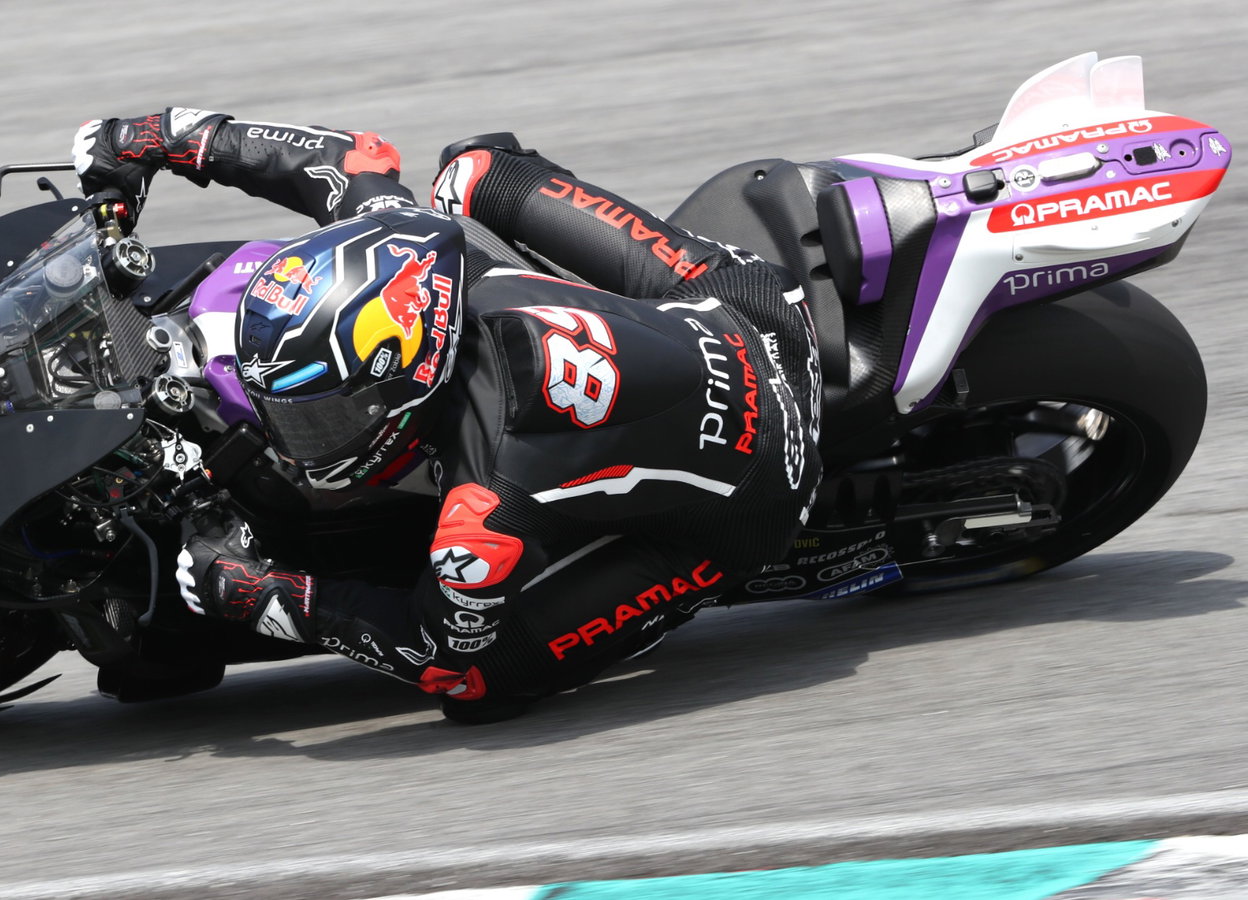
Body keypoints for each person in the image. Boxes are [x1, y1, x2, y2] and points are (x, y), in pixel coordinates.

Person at [72, 109, 822, 722]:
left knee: (482, 688)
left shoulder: (483, 509)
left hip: (761, 490)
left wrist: (275, 597)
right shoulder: (405, 250)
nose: (301, 441)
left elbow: (442, 656)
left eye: (323, 417)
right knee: (474, 171)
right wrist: (162, 138)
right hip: (744, 303)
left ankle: (720, 546)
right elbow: (351, 156)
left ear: (410, 384)